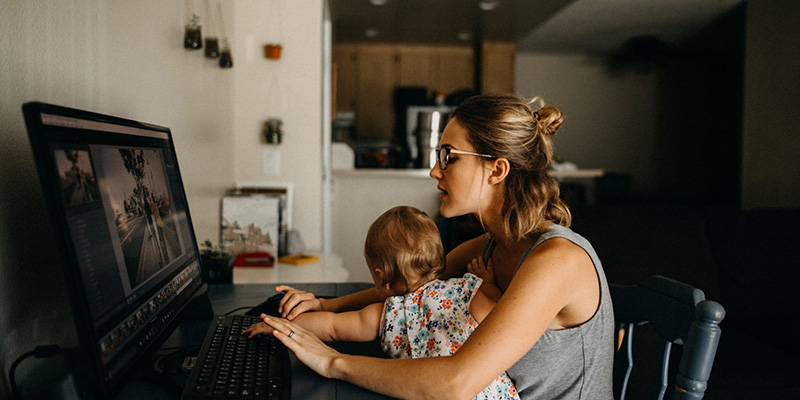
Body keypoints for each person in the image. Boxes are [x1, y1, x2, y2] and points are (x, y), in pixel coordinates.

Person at [262, 94, 615, 399]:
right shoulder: (492, 245)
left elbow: (456, 382)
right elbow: (414, 286)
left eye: (449, 156)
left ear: (497, 170)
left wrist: (330, 362)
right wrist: (325, 306)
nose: (435, 170)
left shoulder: (557, 261)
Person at [244, 205, 519, 400]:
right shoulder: (469, 291)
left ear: (381, 278)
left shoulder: (391, 313)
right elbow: (497, 311)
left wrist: (281, 326)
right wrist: (488, 282)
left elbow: (331, 328)